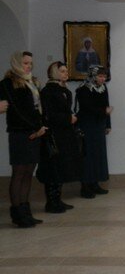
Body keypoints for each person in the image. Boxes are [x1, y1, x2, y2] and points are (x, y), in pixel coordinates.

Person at [0, 51, 46, 227]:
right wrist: (35, 128)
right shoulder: (7, 83)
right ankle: (17, 214)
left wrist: (41, 127)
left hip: (36, 133)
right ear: (17, 63)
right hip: (20, 134)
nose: (29, 66)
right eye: (26, 63)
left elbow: (36, 108)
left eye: (30, 63)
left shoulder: (32, 81)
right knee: (19, 173)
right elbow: (18, 111)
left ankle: (26, 211)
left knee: (28, 173)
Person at [37, 62, 81, 213]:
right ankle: (51, 202)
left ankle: (58, 200)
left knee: (61, 167)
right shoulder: (48, 91)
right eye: (62, 71)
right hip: (54, 135)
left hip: (65, 135)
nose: (66, 73)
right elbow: (48, 115)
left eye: (66, 70)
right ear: (55, 73)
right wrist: (68, 118)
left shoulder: (63, 89)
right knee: (53, 169)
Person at [76, 65, 112, 198]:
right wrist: (103, 112)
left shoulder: (103, 88)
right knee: (88, 156)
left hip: (99, 125)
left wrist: (108, 124)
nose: (103, 79)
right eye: (100, 76)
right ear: (93, 75)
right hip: (87, 125)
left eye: (104, 76)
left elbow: (106, 105)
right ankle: (85, 187)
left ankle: (95, 184)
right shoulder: (83, 89)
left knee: (98, 155)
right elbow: (86, 108)